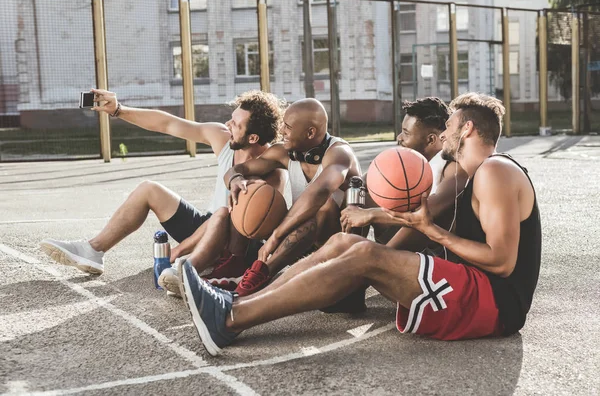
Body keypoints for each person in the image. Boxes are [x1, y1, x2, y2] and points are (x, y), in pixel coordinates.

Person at [177, 92, 542, 356]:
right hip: (471, 287)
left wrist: (432, 230)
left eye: (448, 126)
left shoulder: (495, 170)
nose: (443, 134)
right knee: (343, 244)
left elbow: (502, 261)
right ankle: (242, 298)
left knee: (364, 255)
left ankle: (229, 319)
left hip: (494, 303)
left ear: (467, 130)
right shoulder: (472, 173)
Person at [40, 88, 286, 293]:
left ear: (253, 138)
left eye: (235, 123)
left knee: (223, 214)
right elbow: (168, 123)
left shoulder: (273, 169)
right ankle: (93, 250)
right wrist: (118, 110)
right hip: (207, 226)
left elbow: (244, 223)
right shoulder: (223, 139)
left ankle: (193, 270)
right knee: (150, 189)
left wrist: (181, 248)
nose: (227, 124)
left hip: (239, 244)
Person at [169, 98, 361, 299]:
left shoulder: (339, 154)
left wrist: (275, 237)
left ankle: (261, 274)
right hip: (302, 241)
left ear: (310, 133)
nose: (281, 131)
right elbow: (238, 169)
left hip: (337, 248)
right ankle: (235, 265)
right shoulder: (284, 152)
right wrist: (236, 179)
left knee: (325, 206)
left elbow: (319, 193)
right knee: (251, 188)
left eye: (287, 127)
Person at [340, 97, 468, 248]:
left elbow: (427, 215)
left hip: (430, 247)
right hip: (405, 231)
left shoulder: (452, 167)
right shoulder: (410, 162)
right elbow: (360, 183)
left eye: (406, 133)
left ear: (431, 139)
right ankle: (348, 246)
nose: (399, 137)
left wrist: (370, 214)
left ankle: (376, 257)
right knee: (359, 191)